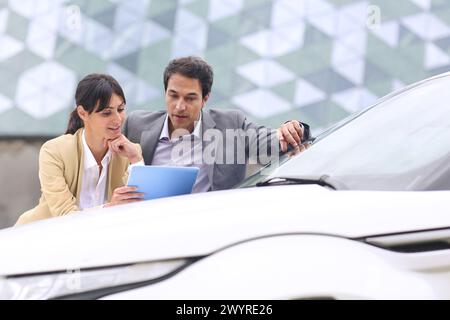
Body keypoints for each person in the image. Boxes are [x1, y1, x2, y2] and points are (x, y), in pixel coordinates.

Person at [124, 56, 311, 192]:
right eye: (173, 96)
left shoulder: (230, 125)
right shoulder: (136, 125)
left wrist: (294, 129)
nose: (179, 106)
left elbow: (273, 141)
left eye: (190, 98)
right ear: (165, 93)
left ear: (205, 99)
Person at [15, 74, 144, 226]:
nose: (118, 119)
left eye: (121, 109)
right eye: (107, 113)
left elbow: (137, 208)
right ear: (83, 113)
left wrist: (136, 159)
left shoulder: (131, 152)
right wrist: (110, 208)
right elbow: (65, 215)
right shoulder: (53, 151)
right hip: (41, 237)